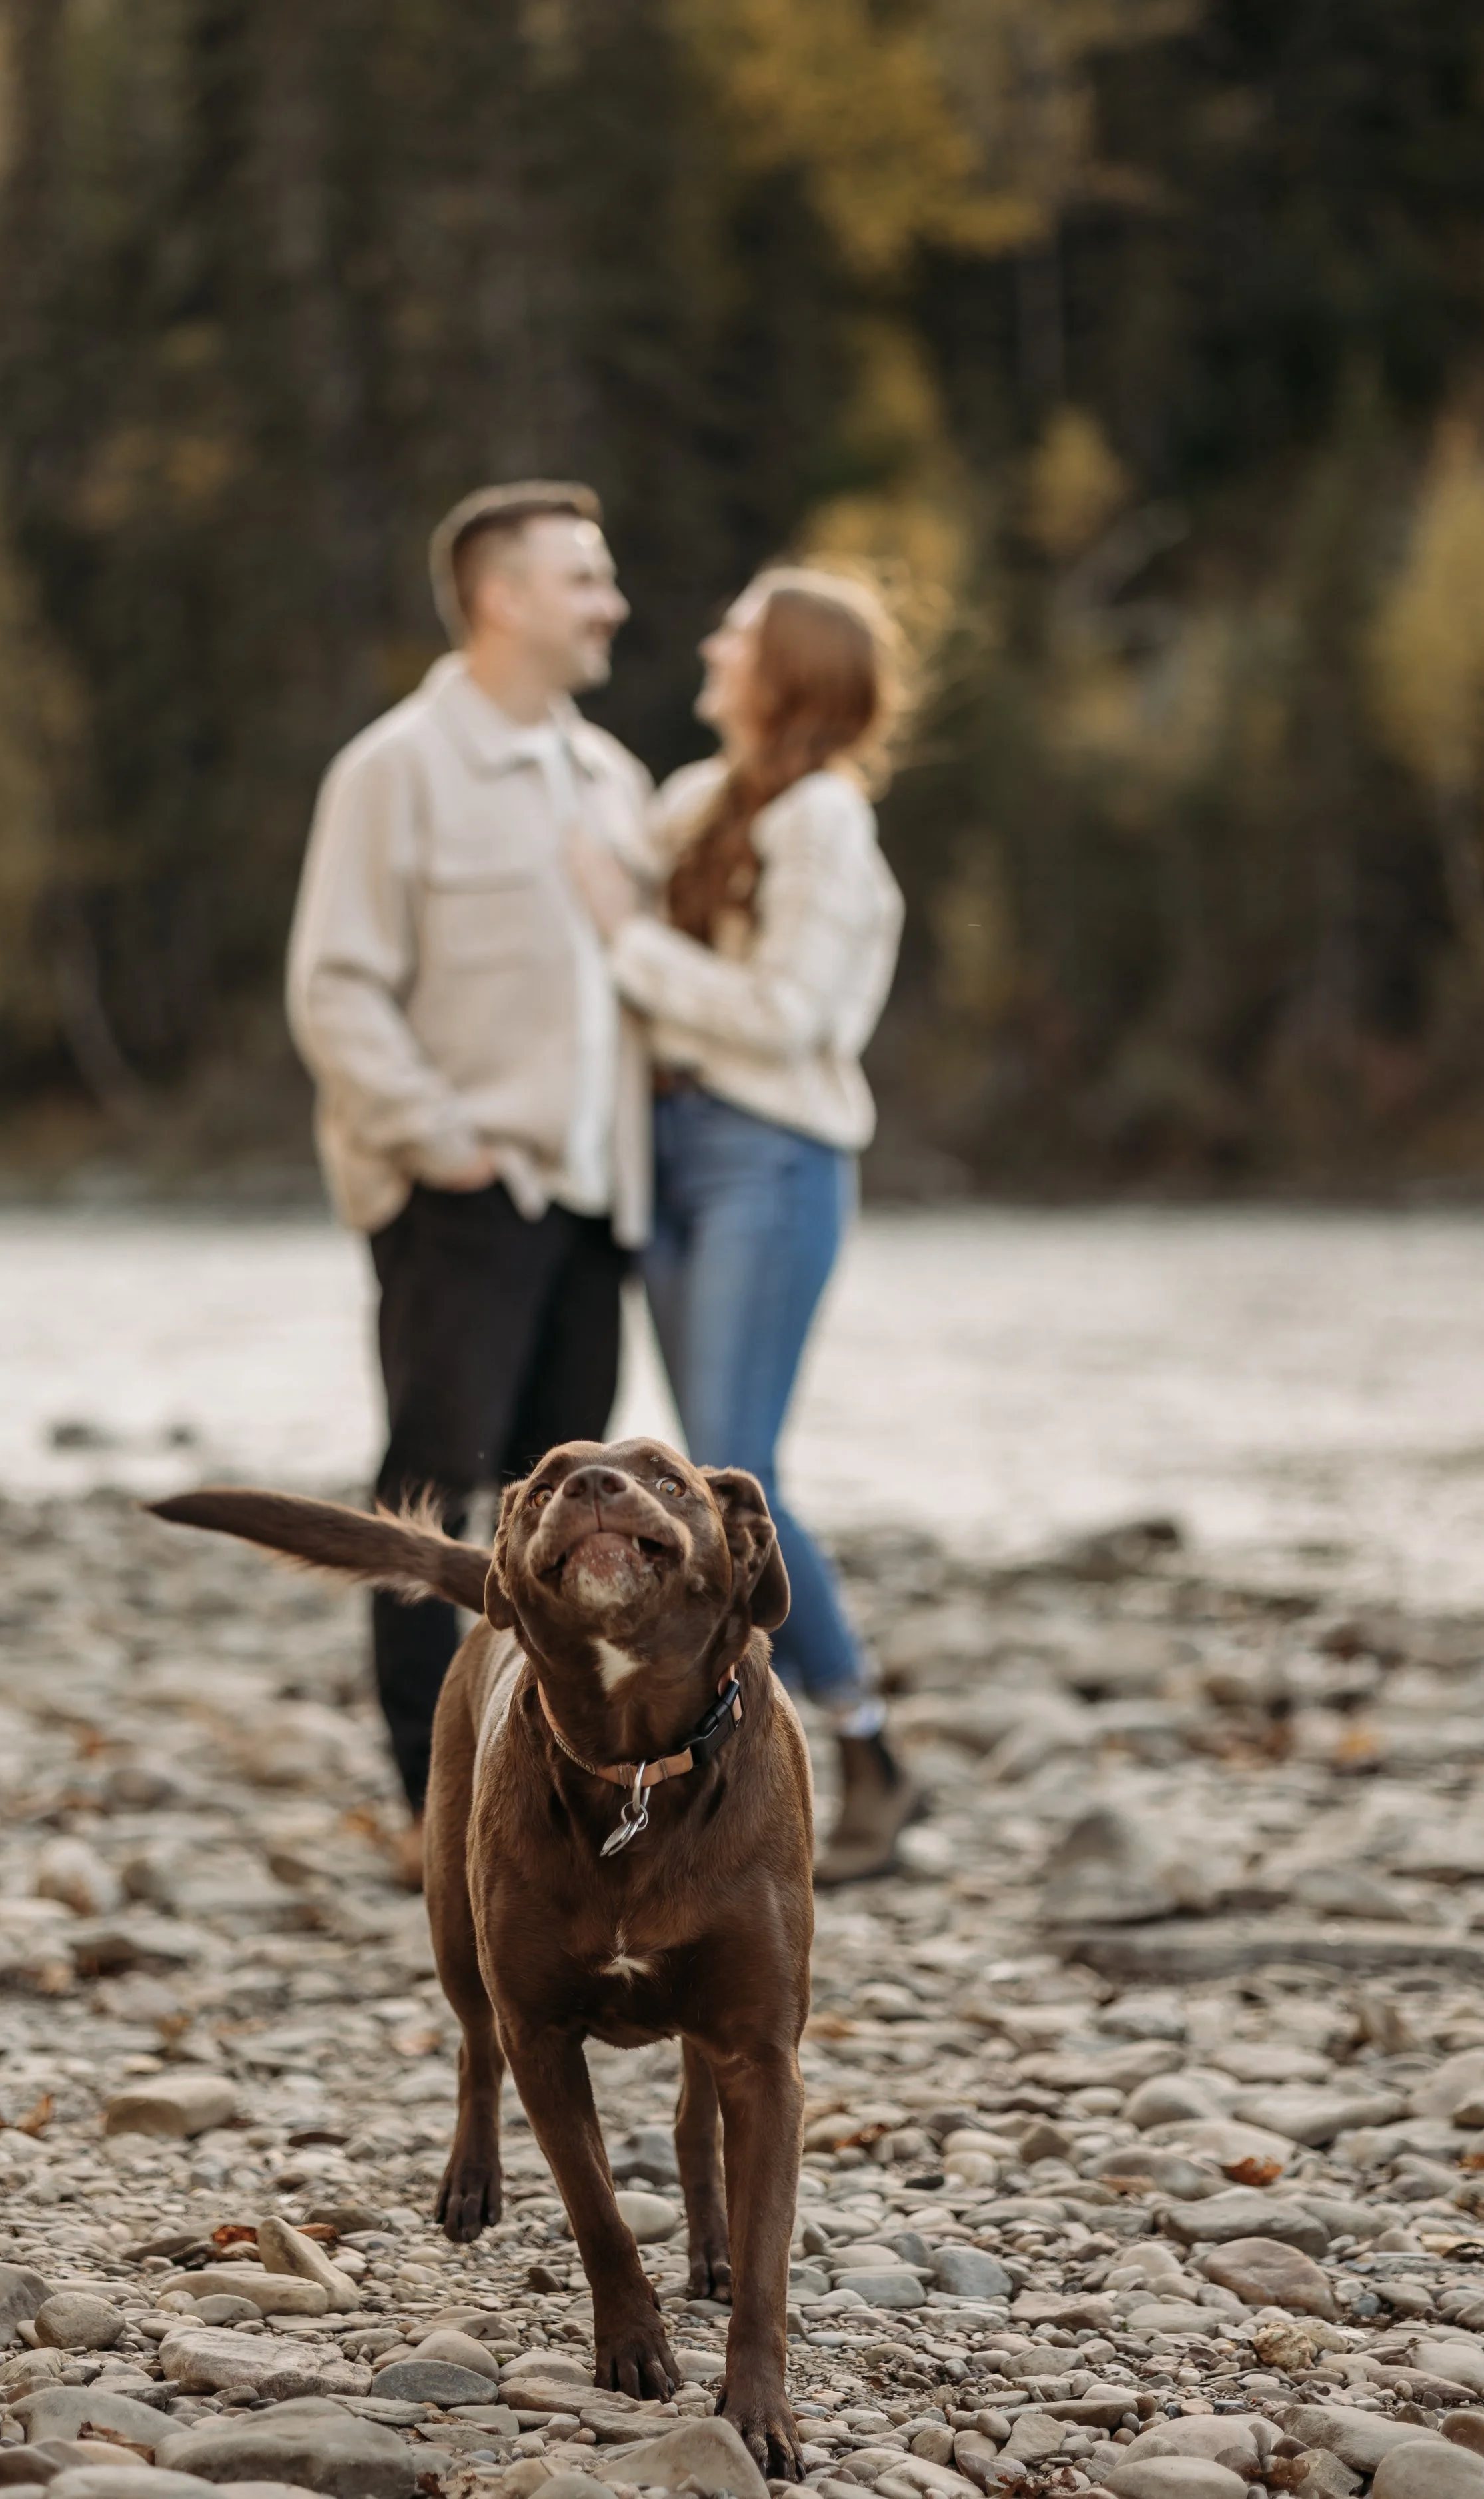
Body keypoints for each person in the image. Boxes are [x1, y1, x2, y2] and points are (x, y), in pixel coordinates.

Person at [287, 482, 651, 1886]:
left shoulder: (609, 783)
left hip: (588, 1207)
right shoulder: (394, 770)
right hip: (457, 1195)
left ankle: (551, 1789)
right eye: (585, 579)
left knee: (572, 1522)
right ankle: (433, 1808)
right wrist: (437, 1138)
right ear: (502, 597)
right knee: (431, 1502)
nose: (609, 603)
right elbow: (334, 984)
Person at [568, 564, 918, 1884]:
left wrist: (625, 937)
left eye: (739, 633)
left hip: (768, 1154)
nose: (709, 642)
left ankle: (863, 1737)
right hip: (663, 1149)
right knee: (697, 1471)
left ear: (791, 675)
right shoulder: (692, 799)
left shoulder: (825, 819)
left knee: (728, 1470)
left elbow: (792, 1016)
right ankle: (727, 1768)